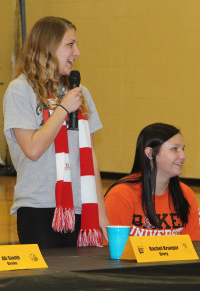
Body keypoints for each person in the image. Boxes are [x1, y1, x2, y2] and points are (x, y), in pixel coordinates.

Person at [3, 16, 109, 249]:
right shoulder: (20, 90)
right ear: (48, 47)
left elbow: (90, 155)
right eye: (70, 44)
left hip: (83, 207)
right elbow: (32, 149)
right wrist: (62, 109)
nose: (77, 52)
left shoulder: (80, 92)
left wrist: (100, 208)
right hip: (38, 207)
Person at [104, 123, 200, 241]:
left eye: (183, 149)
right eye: (174, 149)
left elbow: (193, 247)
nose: (183, 155)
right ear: (150, 153)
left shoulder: (186, 194)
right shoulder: (121, 195)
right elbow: (111, 250)